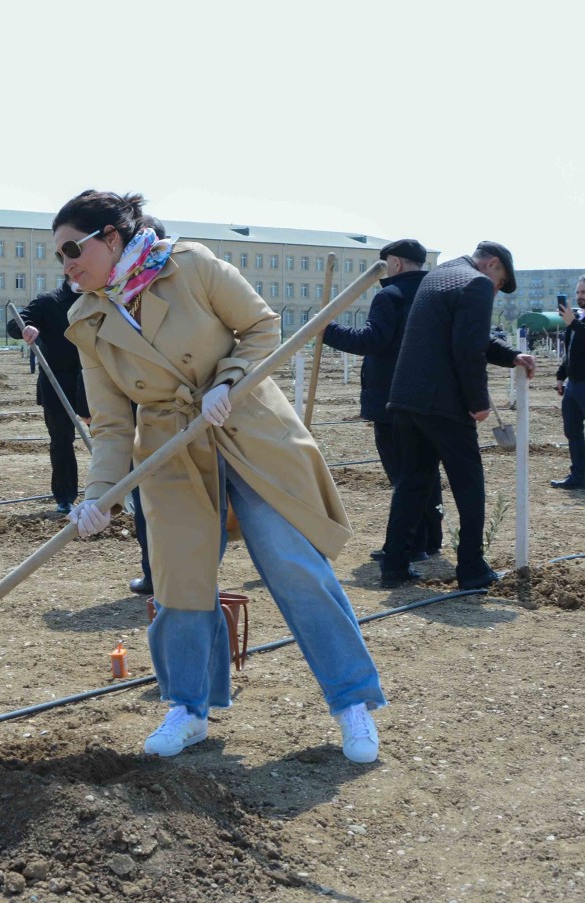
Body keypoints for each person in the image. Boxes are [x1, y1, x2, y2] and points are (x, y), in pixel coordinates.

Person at [56, 189, 385, 764]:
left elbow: (261, 327)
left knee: (294, 565)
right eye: (59, 256)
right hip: (171, 450)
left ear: (110, 237)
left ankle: (351, 703)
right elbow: (110, 423)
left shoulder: (192, 266)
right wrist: (98, 496)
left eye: (71, 249)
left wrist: (229, 380)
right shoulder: (88, 319)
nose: (66, 265)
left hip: (245, 427)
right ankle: (188, 708)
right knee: (179, 582)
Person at [381, 242, 536, 589]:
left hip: (407, 398)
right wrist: (478, 401)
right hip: (445, 404)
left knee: (412, 483)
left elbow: (465, 336)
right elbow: (468, 347)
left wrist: (512, 355)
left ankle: (394, 565)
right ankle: (472, 568)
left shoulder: (439, 275)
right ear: (492, 265)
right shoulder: (476, 283)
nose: (495, 290)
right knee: (469, 486)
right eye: (499, 282)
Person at [319, 239, 440, 562]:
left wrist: (325, 328)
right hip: (430, 399)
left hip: (391, 399)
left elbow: (372, 340)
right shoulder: (436, 294)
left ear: (396, 264)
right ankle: (430, 538)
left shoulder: (390, 296)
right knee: (424, 470)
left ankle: (411, 544)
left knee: (402, 474)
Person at [8, 282, 90, 517]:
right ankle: (65, 496)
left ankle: (112, 493)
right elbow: (16, 324)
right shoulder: (48, 301)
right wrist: (28, 327)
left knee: (108, 437)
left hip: (94, 378)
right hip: (56, 381)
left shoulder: (99, 297)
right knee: (61, 440)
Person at [552, 277, 585, 488]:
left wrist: (573, 323)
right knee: (572, 432)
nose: (581, 297)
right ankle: (578, 476)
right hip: (573, 385)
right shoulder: (576, 320)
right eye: (579, 293)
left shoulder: (575, 322)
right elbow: (570, 352)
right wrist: (560, 375)